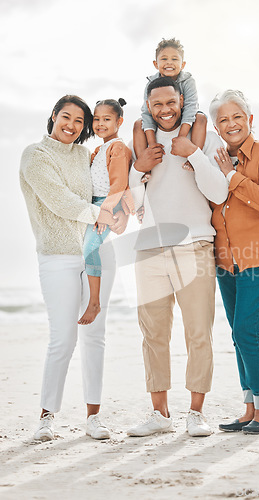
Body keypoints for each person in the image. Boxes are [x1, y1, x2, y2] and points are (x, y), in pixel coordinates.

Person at [20, 95, 128, 442]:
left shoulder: (87, 155)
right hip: (57, 257)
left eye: (80, 121)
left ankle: (93, 417)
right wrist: (101, 214)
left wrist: (123, 207)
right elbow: (59, 199)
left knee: (95, 337)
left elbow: (110, 186)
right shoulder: (34, 156)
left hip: (97, 253)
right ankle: (47, 417)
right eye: (66, 117)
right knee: (62, 338)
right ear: (53, 116)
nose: (72, 125)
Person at [127, 76, 228, 437]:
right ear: (148, 107)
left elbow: (219, 192)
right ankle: (160, 414)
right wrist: (139, 169)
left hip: (196, 244)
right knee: (153, 333)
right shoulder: (141, 141)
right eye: (157, 105)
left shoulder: (202, 135)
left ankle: (196, 413)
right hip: (150, 247)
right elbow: (131, 205)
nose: (165, 110)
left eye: (171, 102)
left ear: (181, 100)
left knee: (198, 331)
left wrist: (194, 155)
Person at [209, 90, 259, 435]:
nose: (231, 124)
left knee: (246, 331)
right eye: (223, 119)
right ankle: (249, 408)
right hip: (227, 262)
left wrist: (233, 178)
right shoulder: (217, 160)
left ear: (250, 119)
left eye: (237, 117)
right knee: (239, 336)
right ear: (216, 126)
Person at [78, 98, 135, 325]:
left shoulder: (117, 147)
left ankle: (94, 302)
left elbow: (119, 183)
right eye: (97, 119)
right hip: (95, 204)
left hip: (106, 203)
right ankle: (87, 294)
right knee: (85, 246)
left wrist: (107, 209)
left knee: (90, 246)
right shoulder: (100, 148)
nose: (100, 123)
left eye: (107, 119)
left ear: (119, 121)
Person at [133, 37, 207, 175]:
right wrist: (152, 143)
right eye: (164, 59)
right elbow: (147, 112)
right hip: (160, 118)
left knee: (201, 118)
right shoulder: (151, 83)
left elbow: (191, 107)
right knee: (138, 123)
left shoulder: (188, 81)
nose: (169, 63)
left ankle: (193, 158)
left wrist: (182, 137)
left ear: (183, 64)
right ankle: (145, 167)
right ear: (156, 63)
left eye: (174, 59)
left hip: (182, 117)